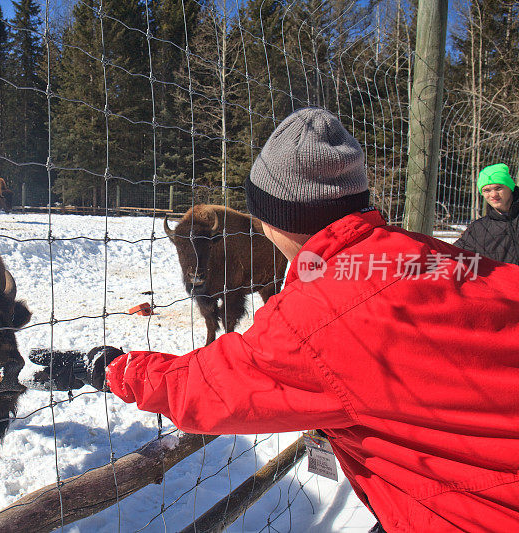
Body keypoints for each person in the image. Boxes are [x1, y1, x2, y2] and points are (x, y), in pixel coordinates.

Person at [77, 108, 519, 532]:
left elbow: (209, 388)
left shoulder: (316, 318)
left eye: (261, 216)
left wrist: (114, 367)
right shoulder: (433, 254)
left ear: (276, 219)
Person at [454, 163, 519, 265]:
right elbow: (453, 255)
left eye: (498, 188)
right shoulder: (478, 228)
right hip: (499, 280)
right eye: (486, 190)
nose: (493, 195)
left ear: (510, 187)